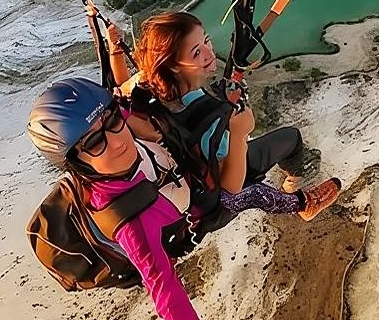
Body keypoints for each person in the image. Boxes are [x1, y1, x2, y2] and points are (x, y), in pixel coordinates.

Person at [28, 77, 250, 320]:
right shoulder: (133, 224)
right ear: (75, 164)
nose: (116, 141)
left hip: (175, 194)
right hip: (179, 229)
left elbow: (122, 98)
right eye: (94, 143)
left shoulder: (128, 135)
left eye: (113, 122)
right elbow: (168, 295)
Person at [125, 11, 341, 219]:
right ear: (173, 66)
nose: (210, 53)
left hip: (190, 172)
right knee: (291, 139)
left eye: (206, 41)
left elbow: (121, 86)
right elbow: (231, 189)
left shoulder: (152, 87)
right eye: (196, 53)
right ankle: (302, 200)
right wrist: (239, 133)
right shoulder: (205, 116)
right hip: (220, 186)